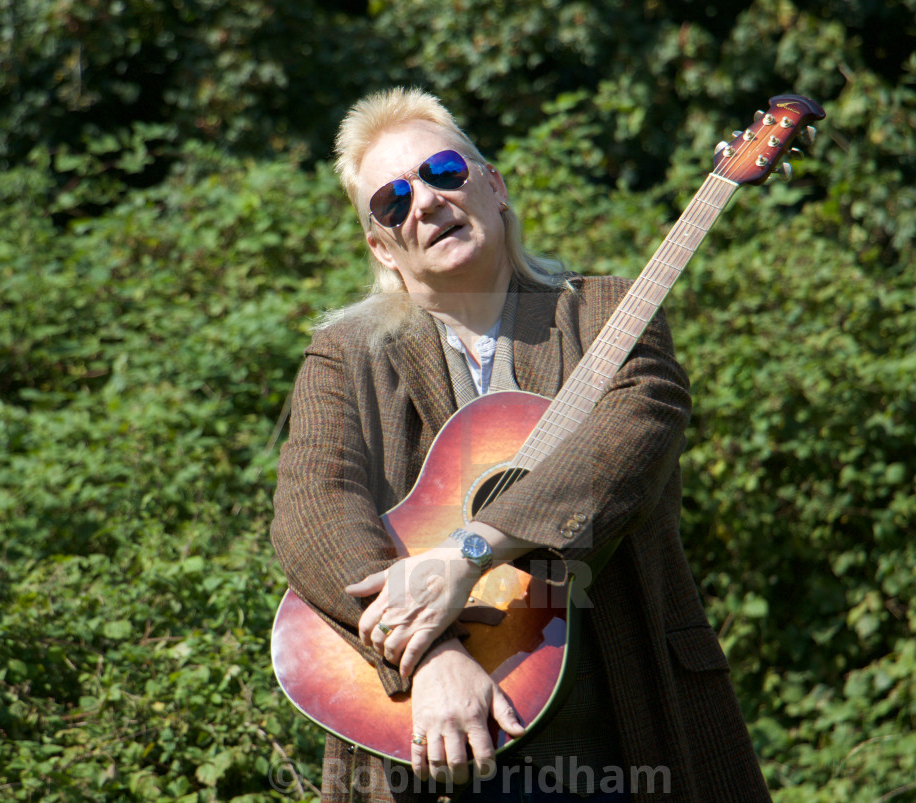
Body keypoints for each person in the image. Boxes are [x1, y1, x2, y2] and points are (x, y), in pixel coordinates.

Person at [270, 87, 770, 802]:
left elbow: (632, 437)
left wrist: (469, 553)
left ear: (494, 187)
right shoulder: (345, 356)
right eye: (392, 200)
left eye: (445, 170)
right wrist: (431, 655)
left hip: (619, 745)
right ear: (381, 244)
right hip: (421, 744)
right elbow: (312, 512)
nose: (426, 201)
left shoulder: (606, 314)